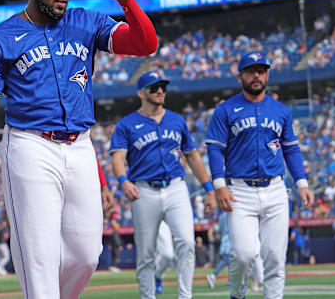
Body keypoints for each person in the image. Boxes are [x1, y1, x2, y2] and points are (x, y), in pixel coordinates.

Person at [0, 0, 157, 298]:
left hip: (79, 145)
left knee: (86, 255)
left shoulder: (86, 22)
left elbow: (144, 44)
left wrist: (126, 1)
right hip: (31, 147)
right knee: (40, 260)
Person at [205, 51, 313, 299]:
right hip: (239, 190)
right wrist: (219, 185)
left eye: (261, 70)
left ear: (267, 74)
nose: (257, 75)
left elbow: (291, 149)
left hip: (275, 188)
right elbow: (214, 149)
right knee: (243, 254)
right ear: (240, 76)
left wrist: (302, 183)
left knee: (275, 257)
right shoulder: (225, 110)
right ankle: (237, 293)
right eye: (251, 71)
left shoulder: (281, 111)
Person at [110, 70, 216, 299]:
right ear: (141, 93)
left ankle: (185, 296)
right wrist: (123, 181)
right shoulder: (127, 124)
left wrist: (209, 189)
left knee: (187, 242)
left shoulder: (177, 120)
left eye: (163, 87)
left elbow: (193, 156)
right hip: (143, 191)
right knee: (146, 254)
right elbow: (117, 157)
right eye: (154, 87)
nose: (160, 91)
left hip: (176, 187)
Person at [153, 221, 174, 294]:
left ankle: (158, 276)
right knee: (145, 258)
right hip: (143, 219)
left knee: (168, 255)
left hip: (162, 221)